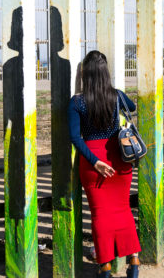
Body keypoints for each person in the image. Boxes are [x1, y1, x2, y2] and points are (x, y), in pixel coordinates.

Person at [68, 50, 141, 278]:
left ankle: (106, 266)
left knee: (100, 215)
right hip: (119, 160)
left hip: (93, 162)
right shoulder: (116, 96)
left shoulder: (77, 102)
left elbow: (75, 137)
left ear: (85, 75)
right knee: (123, 209)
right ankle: (134, 259)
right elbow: (133, 107)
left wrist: (95, 162)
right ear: (105, 73)